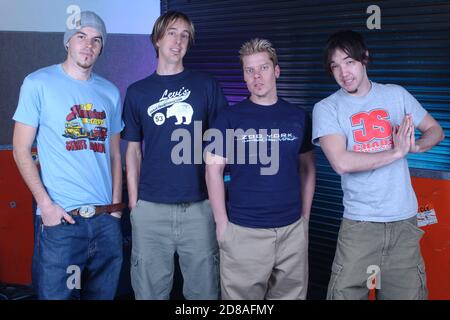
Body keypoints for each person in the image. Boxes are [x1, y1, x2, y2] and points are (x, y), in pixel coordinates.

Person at [312, 30, 445, 300]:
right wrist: (396, 153)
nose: (343, 72)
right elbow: (341, 162)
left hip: (404, 224)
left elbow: (435, 130)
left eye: (349, 62)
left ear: (365, 59)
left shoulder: (396, 95)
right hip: (360, 225)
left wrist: (416, 147)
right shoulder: (327, 108)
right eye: (335, 66)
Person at [12, 11, 124, 300]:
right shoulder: (38, 83)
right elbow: (21, 149)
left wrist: (115, 208)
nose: (89, 45)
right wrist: (46, 206)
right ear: (68, 42)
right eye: (81, 36)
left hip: (104, 222)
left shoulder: (110, 92)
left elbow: (115, 156)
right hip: (62, 222)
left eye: (96, 40)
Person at [122, 11, 228, 300]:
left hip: (199, 208)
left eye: (185, 35)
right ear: (157, 38)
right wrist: (135, 203)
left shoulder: (207, 85)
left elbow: (222, 146)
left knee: (204, 291)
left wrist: (217, 205)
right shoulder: (137, 92)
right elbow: (132, 150)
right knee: (149, 292)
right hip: (151, 209)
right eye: (171, 32)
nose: (178, 40)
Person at [205, 38, 316, 300]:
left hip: (291, 233)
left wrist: (305, 220)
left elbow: (308, 170)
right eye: (249, 70)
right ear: (243, 76)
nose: (257, 76)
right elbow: (213, 172)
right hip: (244, 233)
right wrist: (222, 225)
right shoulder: (228, 119)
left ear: (276, 71)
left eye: (263, 68)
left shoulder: (298, 117)